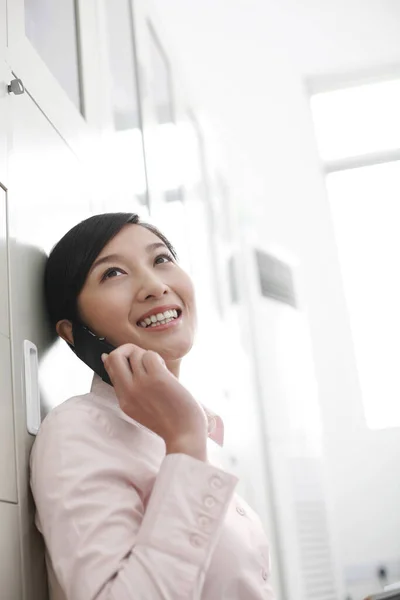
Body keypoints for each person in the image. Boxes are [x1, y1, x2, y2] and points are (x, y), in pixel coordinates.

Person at [30, 212, 274, 600]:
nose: (154, 286)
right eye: (112, 274)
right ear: (74, 333)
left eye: (161, 259)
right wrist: (184, 442)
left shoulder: (193, 426)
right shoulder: (76, 431)